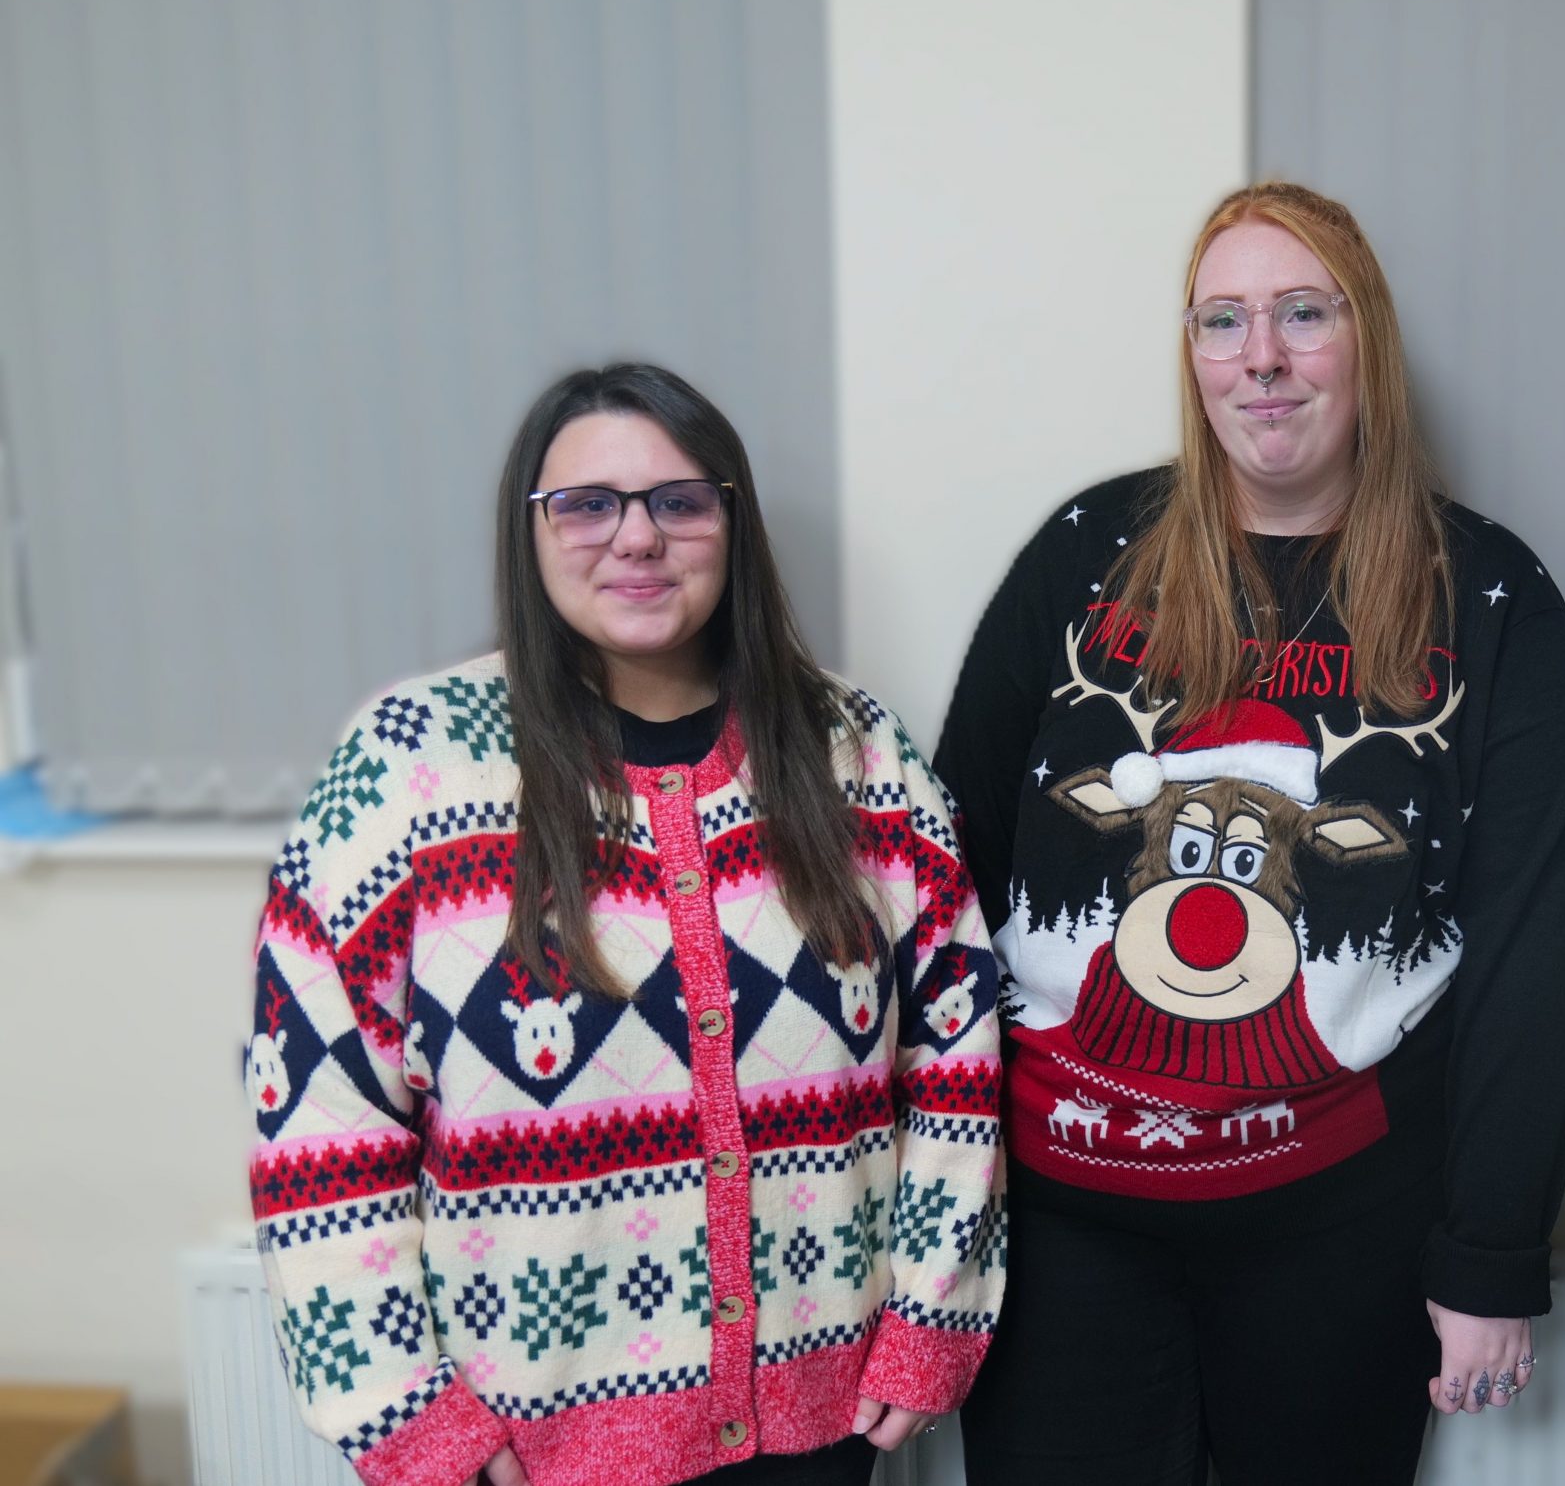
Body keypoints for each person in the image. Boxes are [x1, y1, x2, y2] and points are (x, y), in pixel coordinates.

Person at [935, 182, 1565, 1485]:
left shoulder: (1491, 596)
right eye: (1223, 319)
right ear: (1191, 353)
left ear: (1369, 344)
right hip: (1062, 1238)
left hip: (1341, 1239)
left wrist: (1491, 1254)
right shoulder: (1084, 556)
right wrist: (936, 1201)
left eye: (1307, 312)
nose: (1265, 356)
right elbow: (941, 878)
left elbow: (1532, 946)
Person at [246, 364, 1004, 1486]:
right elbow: (316, 1115)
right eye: (588, 504)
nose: (636, 538)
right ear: (532, 532)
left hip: (820, 1421)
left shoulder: (860, 754)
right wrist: (410, 1418)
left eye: (679, 501)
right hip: (527, 1445)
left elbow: (959, 1055)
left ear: (730, 524)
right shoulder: (409, 768)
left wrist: (934, 1317)